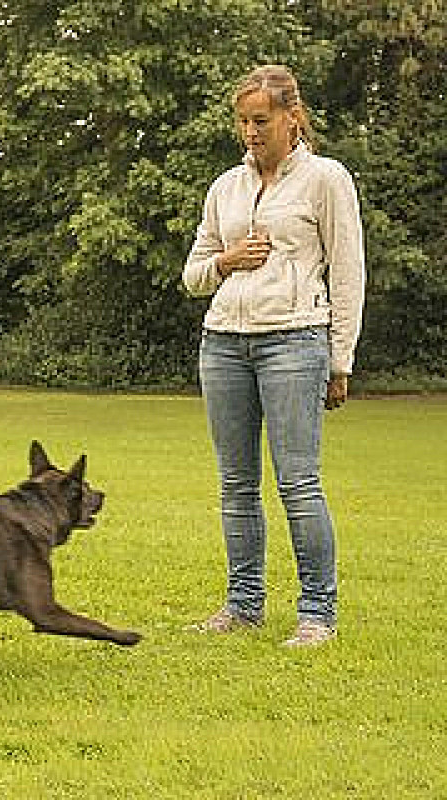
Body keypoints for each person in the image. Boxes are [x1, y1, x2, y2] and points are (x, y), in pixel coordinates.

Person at [182, 64, 365, 646]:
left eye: (260, 120)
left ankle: (317, 614)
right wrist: (227, 261)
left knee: (298, 483)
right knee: (235, 485)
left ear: (293, 117)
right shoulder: (224, 188)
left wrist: (340, 361)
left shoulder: (326, 180)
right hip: (223, 345)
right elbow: (193, 275)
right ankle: (242, 606)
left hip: (295, 340)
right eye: (242, 121)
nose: (250, 132)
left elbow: (349, 273)